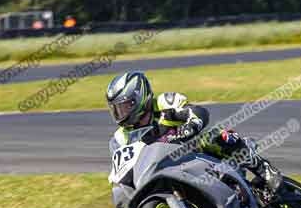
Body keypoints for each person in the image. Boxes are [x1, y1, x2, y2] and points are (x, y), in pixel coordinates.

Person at [105, 71, 283, 194]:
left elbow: (199, 112)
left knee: (215, 136)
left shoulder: (164, 103)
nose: (121, 113)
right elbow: (121, 170)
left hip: (195, 153)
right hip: (165, 172)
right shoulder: (120, 138)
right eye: (116, 109)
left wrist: (188, 127)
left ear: (139, 98)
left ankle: (264, 170)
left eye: (125, 106)